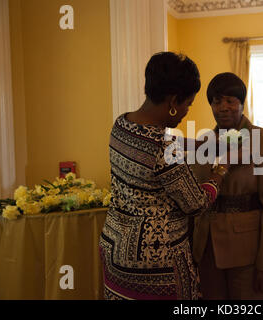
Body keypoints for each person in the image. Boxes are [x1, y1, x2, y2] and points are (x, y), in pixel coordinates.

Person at [99, 52, 234, 300]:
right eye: (187, 104)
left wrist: (198, 144)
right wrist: (221, 170)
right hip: (156, 263)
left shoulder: (121, 124)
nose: (186, 112)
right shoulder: (166, 151)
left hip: (115, 248)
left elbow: (151, 144)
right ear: (173, 101)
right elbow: (196, 203)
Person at [192, 72, 263, 300]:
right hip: (208, 250)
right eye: (216, 101)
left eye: (230, 101)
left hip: (249, 252)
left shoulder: (262, 140)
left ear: (242, 104)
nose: (223, 107)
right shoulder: (204, 142)